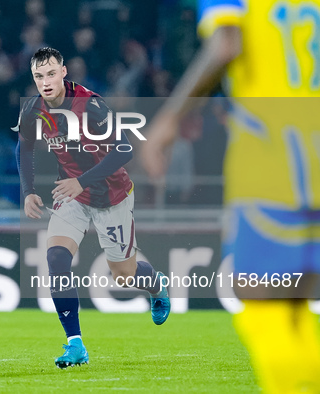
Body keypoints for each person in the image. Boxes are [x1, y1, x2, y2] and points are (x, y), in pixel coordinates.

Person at [140, 1, 320, 392]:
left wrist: (170, 119)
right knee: (296, 302)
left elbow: (226, 43)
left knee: (259, 301)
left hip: (275, 152)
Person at [15, 47, 170, 369]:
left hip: (111, 196)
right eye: (38, 76)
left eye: (51, 74)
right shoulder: (33, 109)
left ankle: (156, 284)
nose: (45, 82)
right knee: (56, 259)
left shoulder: (91, 105)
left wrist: (82, 181)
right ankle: (75, 345)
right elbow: (24, 145)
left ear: (64, 72)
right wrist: (28, 191)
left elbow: (125, 149)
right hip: (72, 196)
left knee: (124, 276)